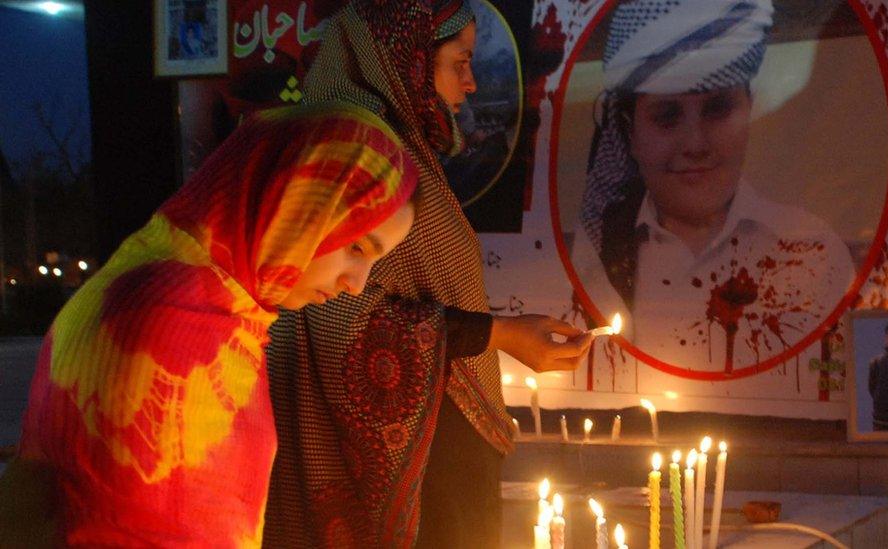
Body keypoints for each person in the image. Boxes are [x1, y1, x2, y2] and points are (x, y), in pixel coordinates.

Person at [0, 103, 420, 546]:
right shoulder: (182, 323)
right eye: (356, 247)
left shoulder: (162, 275)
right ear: (298, 199)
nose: (357, 285)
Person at [263, 1, 594, 547]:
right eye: (459, 61)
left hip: (434, 429)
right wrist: (503, 334)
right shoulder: (355, 156)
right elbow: (342, 318)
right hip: (406, 453)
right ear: (407, 60)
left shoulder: (399, 148)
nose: (469, 84)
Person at [571, 0, 855, 374]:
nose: (695, 144)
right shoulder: (596, 255)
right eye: (667, 117)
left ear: (748, 112)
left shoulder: (813, 252)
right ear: (629, 133)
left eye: (718, 109)